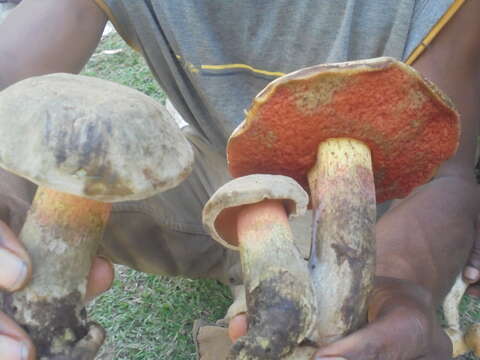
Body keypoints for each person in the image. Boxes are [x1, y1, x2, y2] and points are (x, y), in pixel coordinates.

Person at [0, 1, 479, 359]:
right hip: (214, 172)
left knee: (315, 303)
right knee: (54, 181)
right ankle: (264, 275)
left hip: (382, 213)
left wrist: (401, 280)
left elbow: (446, 175)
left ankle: (279, 298)